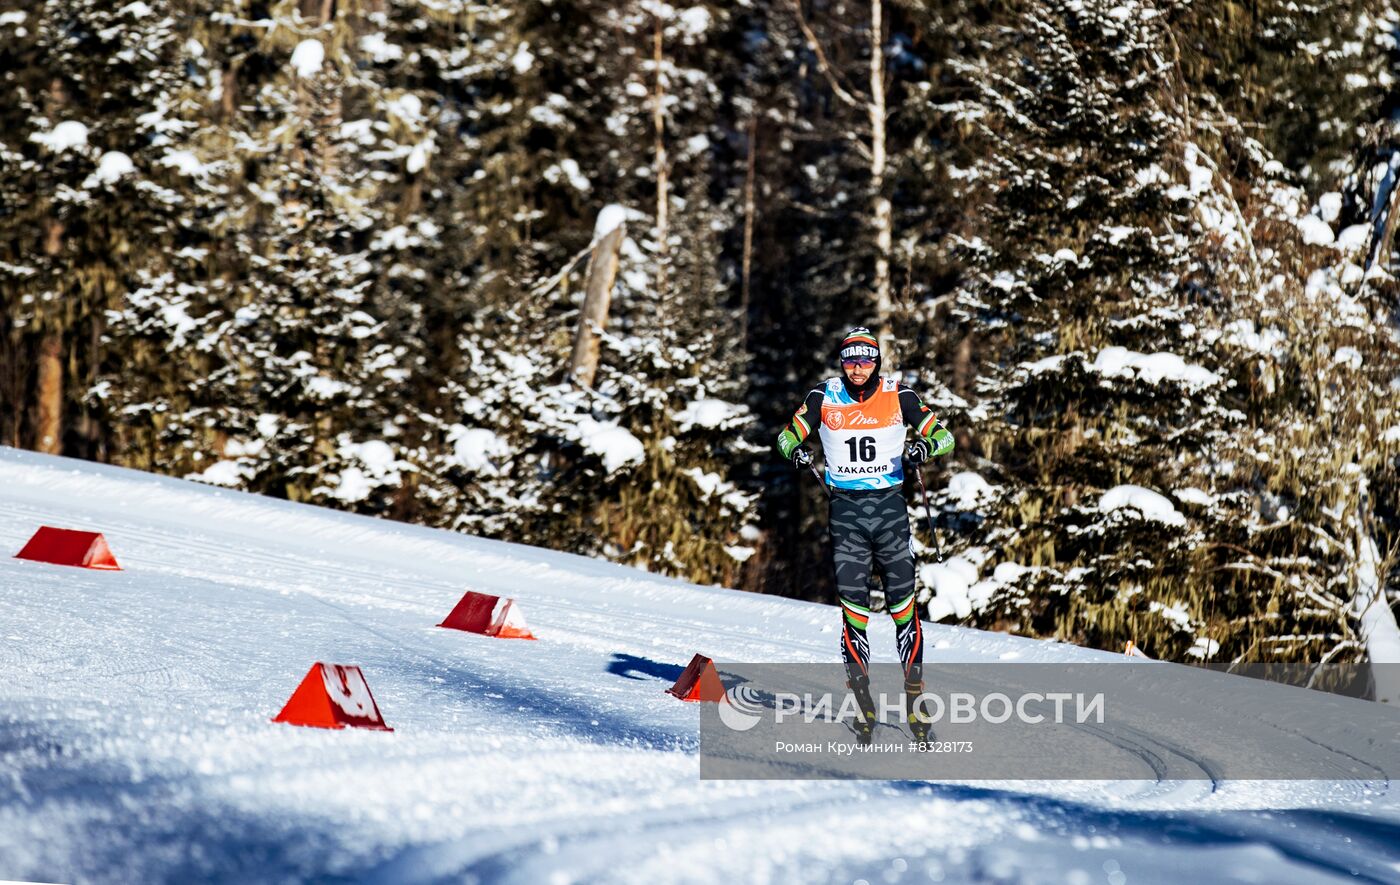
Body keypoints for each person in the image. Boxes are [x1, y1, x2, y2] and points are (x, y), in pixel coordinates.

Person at [776, 327, 954, 743]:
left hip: (891, 514)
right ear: (842, 361)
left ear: (877, 361)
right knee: (853, 613)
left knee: (903, 610)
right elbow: (786, 436)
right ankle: (863, 705)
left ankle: (915, 701)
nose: (858, 368)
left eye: (866, 359)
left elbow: (943, 436)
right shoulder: (824, 396)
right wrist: (796, 452)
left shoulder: (899, 394)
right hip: (846, 516)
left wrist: (924, 448)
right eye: (850, 359)